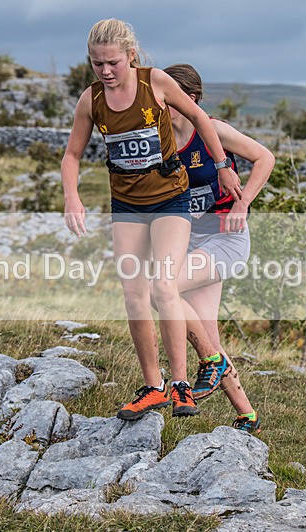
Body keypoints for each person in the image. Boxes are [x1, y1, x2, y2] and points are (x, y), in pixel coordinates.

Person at [61, 20, 242, 422]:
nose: (106, 72)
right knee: (133, 295)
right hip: (126, 205)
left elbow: (198, 117)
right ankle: (152, 387)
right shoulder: (90, 100)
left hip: (169, 199)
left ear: (131, 56)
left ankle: (180, 386)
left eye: (112, 63)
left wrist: (222, 166)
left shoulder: (155, 83)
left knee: (163, 285)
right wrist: (72, 196)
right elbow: (72, 154)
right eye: (97, 64)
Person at [163, 63, 275, 433]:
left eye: (169, 96)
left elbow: (265, 157)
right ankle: (248, 415)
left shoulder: (211, 130)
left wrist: (242, 205)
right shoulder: (160, 135)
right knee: (206, 333)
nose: (161, 102)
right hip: (187, 237)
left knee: (162, 289)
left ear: (190, 99)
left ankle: (213, 362)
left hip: (225, 236)